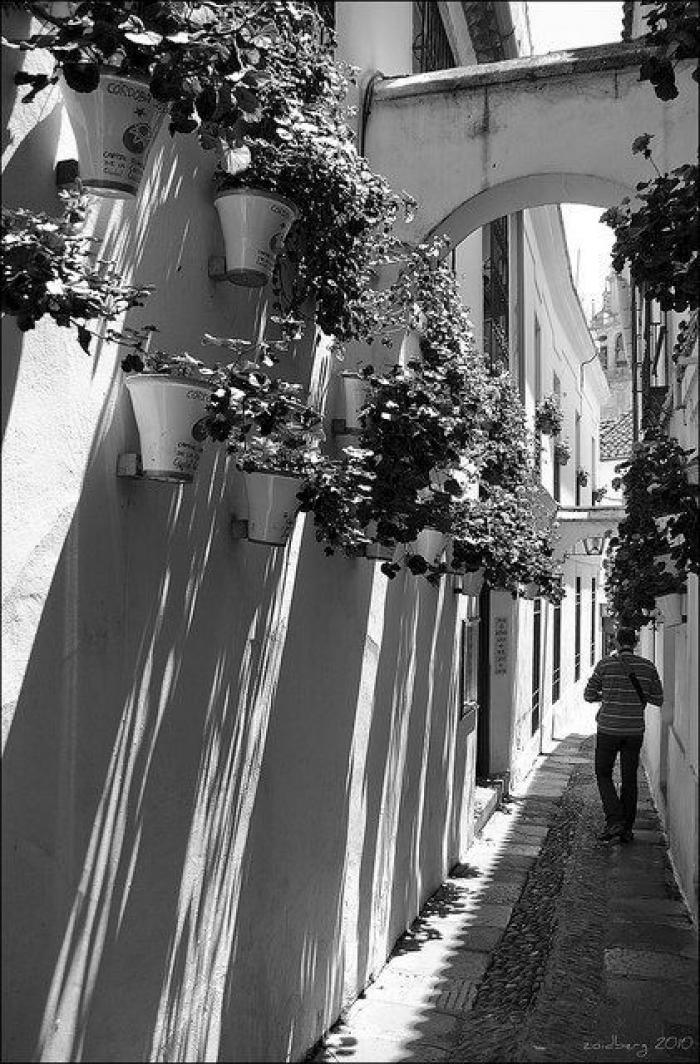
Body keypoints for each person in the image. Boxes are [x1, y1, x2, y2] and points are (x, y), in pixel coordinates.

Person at [584, 625, 664, 843]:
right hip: (634, 731)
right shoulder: (648, 667)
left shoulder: (605, 665)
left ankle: (615, 820)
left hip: (608, 729)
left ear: (617, 642)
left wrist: (607, 694)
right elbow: (658, 698)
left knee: (603, 774)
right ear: (636, 643)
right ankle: (626, 829)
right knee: (630, 779)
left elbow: (589, 695)